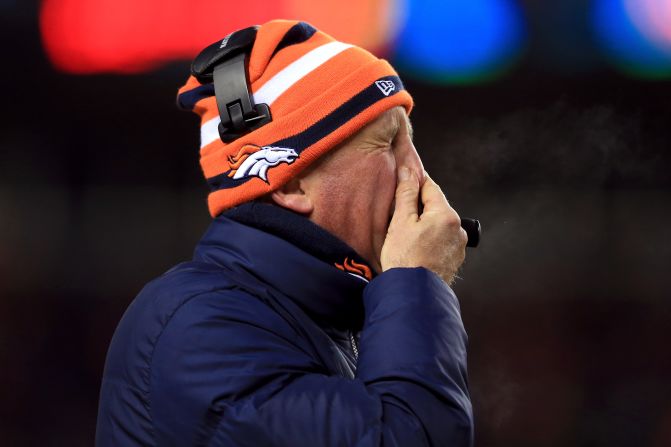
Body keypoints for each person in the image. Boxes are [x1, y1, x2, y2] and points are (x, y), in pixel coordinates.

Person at [96, 19, 473, 446]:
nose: (418, 174)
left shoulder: (321, 315)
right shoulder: (200, 325)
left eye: (411, 142)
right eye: (387, 144)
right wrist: (417, 283)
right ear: (290, 182)